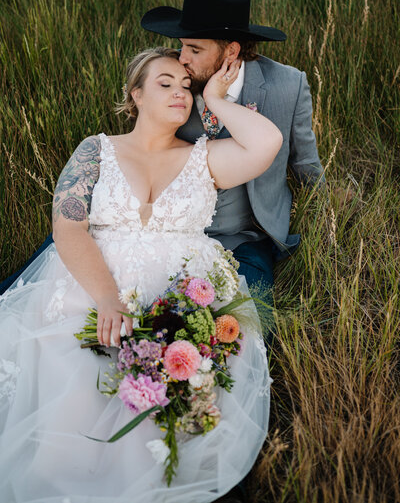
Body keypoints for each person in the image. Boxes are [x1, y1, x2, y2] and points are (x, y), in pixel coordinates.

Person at [0, 47, 282, 503]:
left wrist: (217, 98)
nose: (179, 94)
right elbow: (68, 226)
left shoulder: (204, 158)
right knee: (74, 382)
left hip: (176, 297)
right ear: (136, 95)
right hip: (91, 288)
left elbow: (267, 143)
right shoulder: (96, 150)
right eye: (164, 83)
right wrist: (107, 298)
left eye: (186, 87)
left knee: (156, 407)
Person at [141, 0, 325, 335]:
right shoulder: (174, 85)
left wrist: (328, 214)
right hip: (174, 232)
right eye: (181, 47)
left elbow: (305, 164)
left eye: (194, 49)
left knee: (246, 330)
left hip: (246, 238)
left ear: (230, 52)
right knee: (153, 324)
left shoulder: (289, 85)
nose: (182, 59)